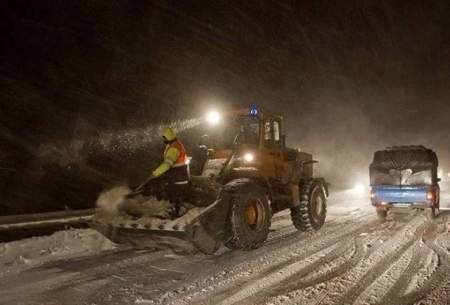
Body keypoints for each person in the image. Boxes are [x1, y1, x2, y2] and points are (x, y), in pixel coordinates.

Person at [137, 127, 189, 199]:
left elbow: (167, 164)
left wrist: (155, 173)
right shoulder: (175, 143)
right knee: (163, 184)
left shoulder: (173, 148)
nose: (163, 139)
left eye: (163, 138)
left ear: (167, 137)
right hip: (179, 173)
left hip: (177, 175)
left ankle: (171, 205)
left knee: (168, 190)